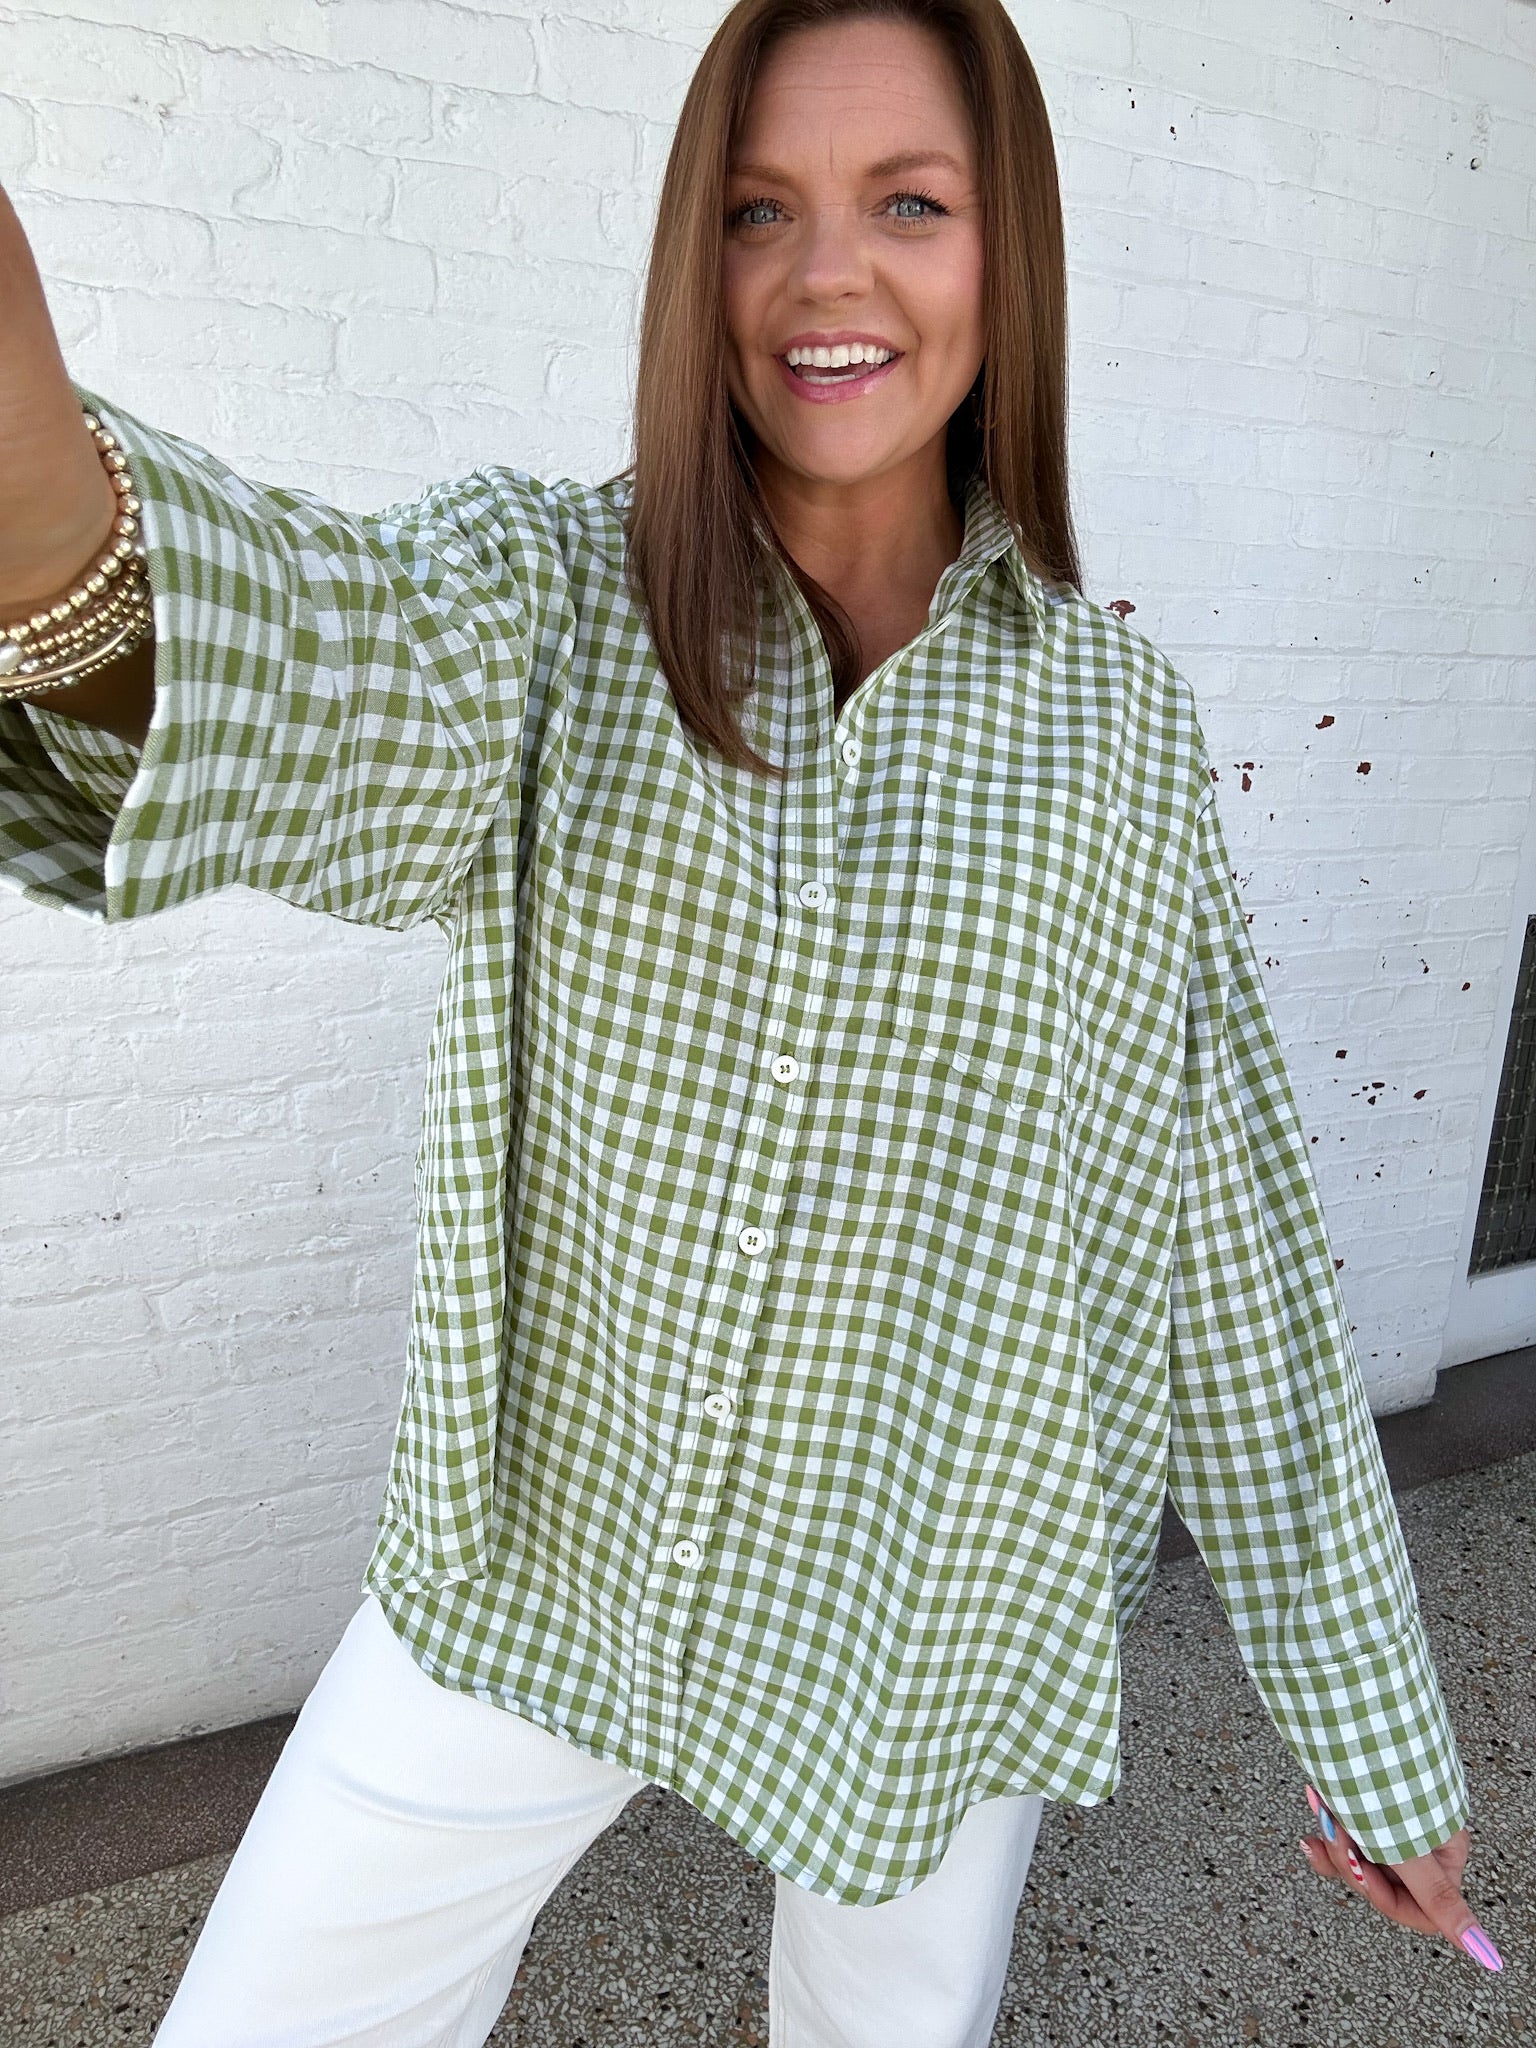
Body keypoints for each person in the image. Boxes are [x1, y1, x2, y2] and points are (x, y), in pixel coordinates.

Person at [0, 0, 1504, 2039]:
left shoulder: (1115, 735)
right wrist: (46, 515)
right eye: (757, 209)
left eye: (910, 203)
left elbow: (1221, 1244)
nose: (827, 274)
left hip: (940, 1610)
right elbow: (331, 683)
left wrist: (1375, 1732)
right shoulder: (548, 603)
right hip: (543, 1569)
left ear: (1009, 251)